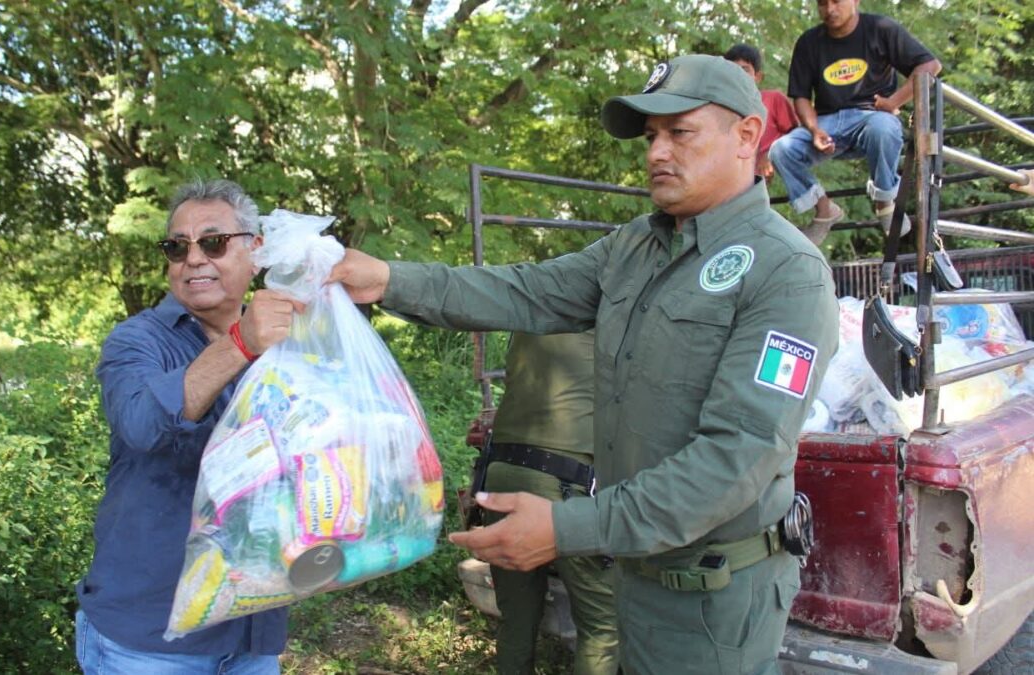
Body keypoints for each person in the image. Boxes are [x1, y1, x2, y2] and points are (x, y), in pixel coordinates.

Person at [327, 54, 839, 674]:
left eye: (680, 132)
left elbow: (735, 462)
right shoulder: (636, 248)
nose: (656, 153)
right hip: (632, 571)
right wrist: (386, 279)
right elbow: (522, 292)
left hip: (714, 603)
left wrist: (567, 528)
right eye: (651, 136)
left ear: (748, 136)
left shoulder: (787, 273)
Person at [76, 179, 304, 674]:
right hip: (148, 640)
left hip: (252, 631)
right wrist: (241, 343)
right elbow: (141, 424)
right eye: (178, 247)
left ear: (255, 251)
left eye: (213, 242)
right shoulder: (134, 341)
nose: (193, 258)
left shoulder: (292, 344)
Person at [482, 331, 618, 675]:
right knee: (603, 624)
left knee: (517, 619)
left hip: (502, 475)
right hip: (563, 481)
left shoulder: (533, 311)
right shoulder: (611, 314)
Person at [768, 0, 942, 245]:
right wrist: (814, 129)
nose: (829, 10)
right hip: (827, 122)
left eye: (836, 2)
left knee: (883, 128)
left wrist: (894, 101)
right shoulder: (809, 42)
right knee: (781, 150)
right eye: (822, 4)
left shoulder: (881, 28)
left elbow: (930, 65)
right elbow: (801, 96)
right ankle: (825, 210)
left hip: (871, 117)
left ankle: (884, 202)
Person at [723, 44, 799, 181]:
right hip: (731, 178)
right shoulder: (721, 108)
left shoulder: (773, 99)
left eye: (744, 70)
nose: (738, 75)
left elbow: (795, 136)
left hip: (763, 174)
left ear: (757, 77)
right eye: (732, 70)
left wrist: (769, 154)